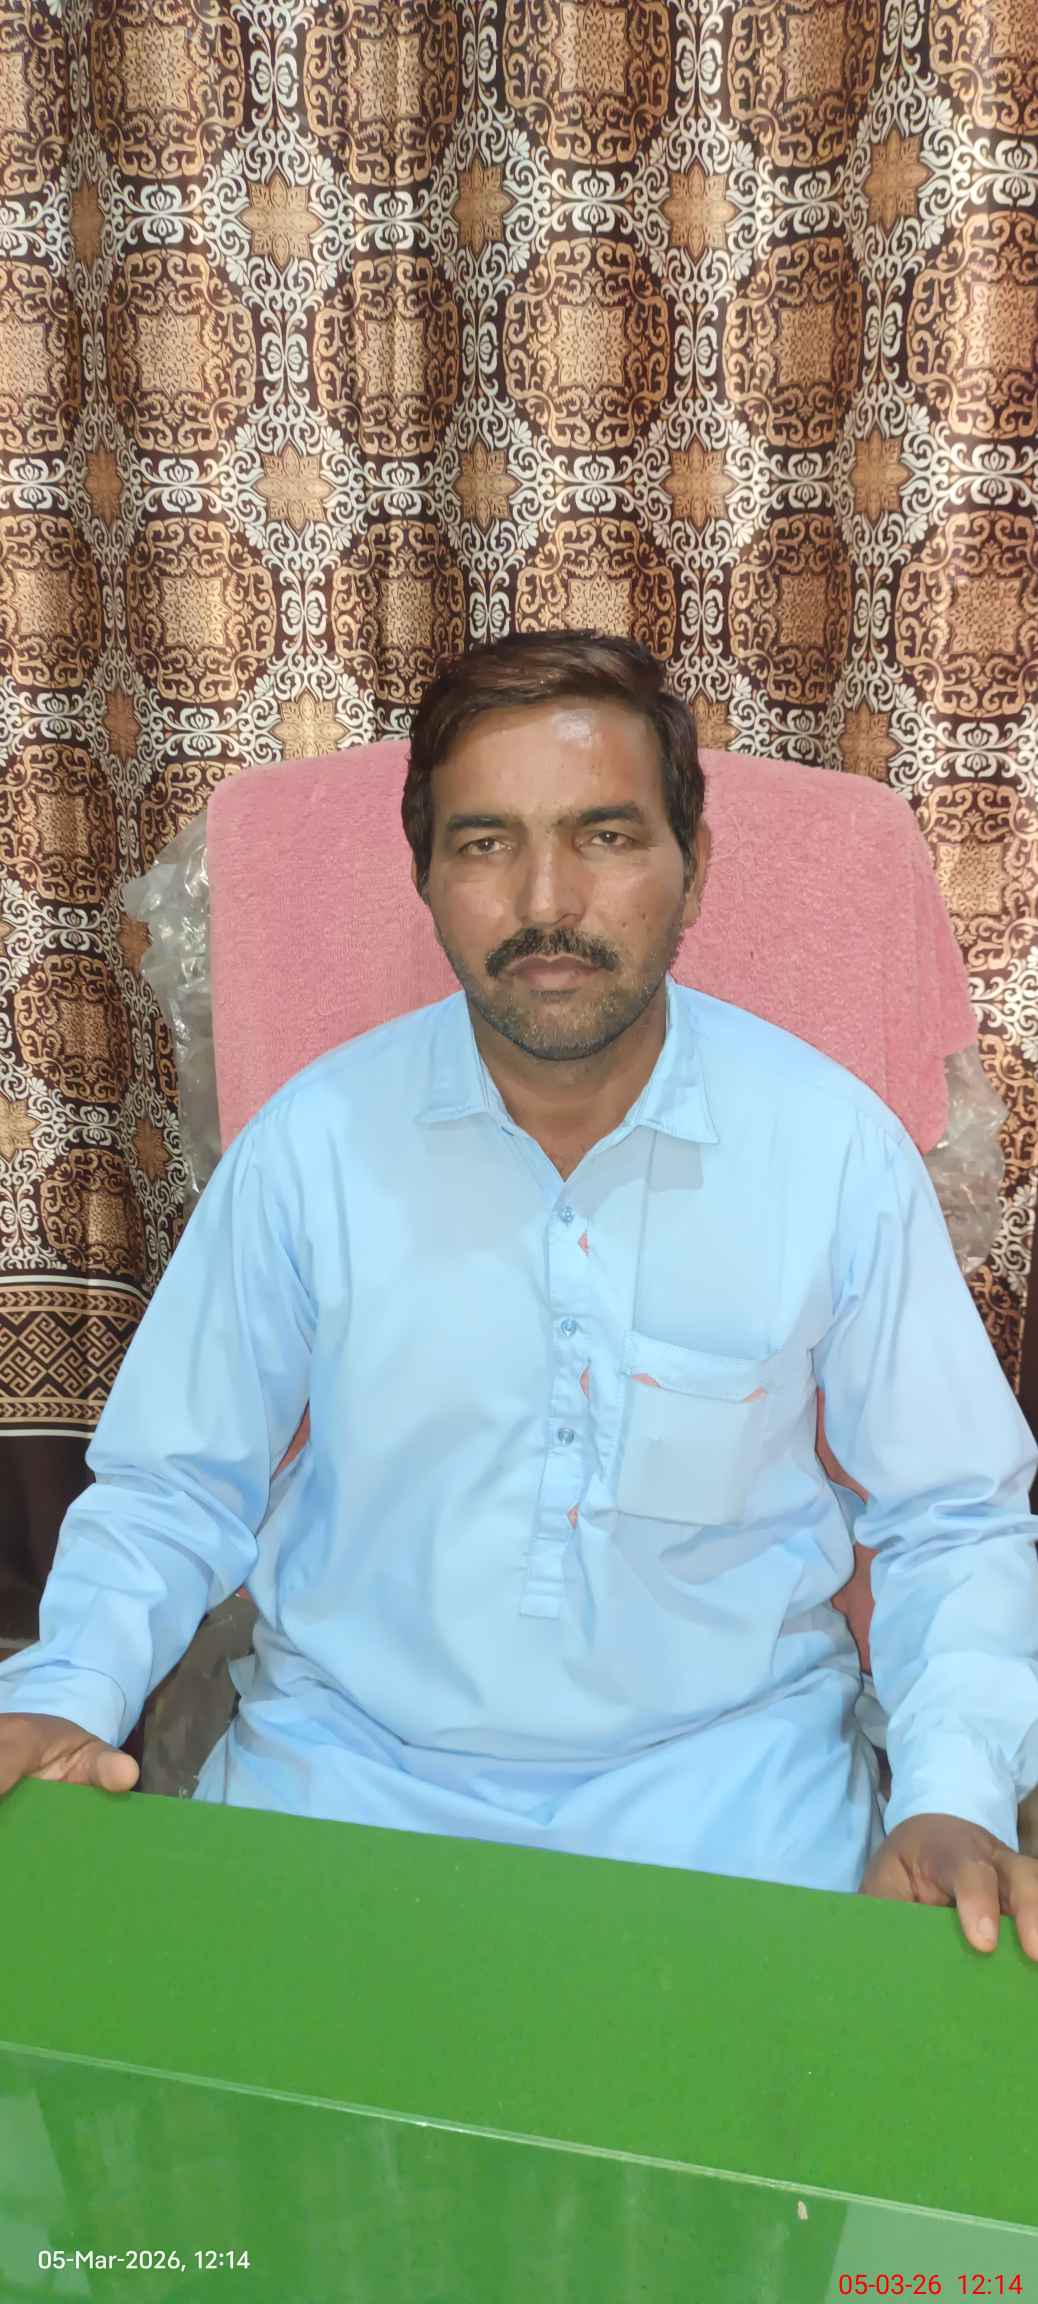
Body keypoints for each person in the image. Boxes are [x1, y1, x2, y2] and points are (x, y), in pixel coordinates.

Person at [2, 630, 1037, 1962]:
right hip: (345, 1785)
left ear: (692, 864)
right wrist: (70, 1687)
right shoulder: (313, 1148)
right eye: (486, 843)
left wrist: (952, 1793)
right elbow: (173, 1485)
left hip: (733, 1806)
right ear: (425, 877)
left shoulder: (831, 1153)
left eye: (605, 836)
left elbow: (951, 1516)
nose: (548, 900)